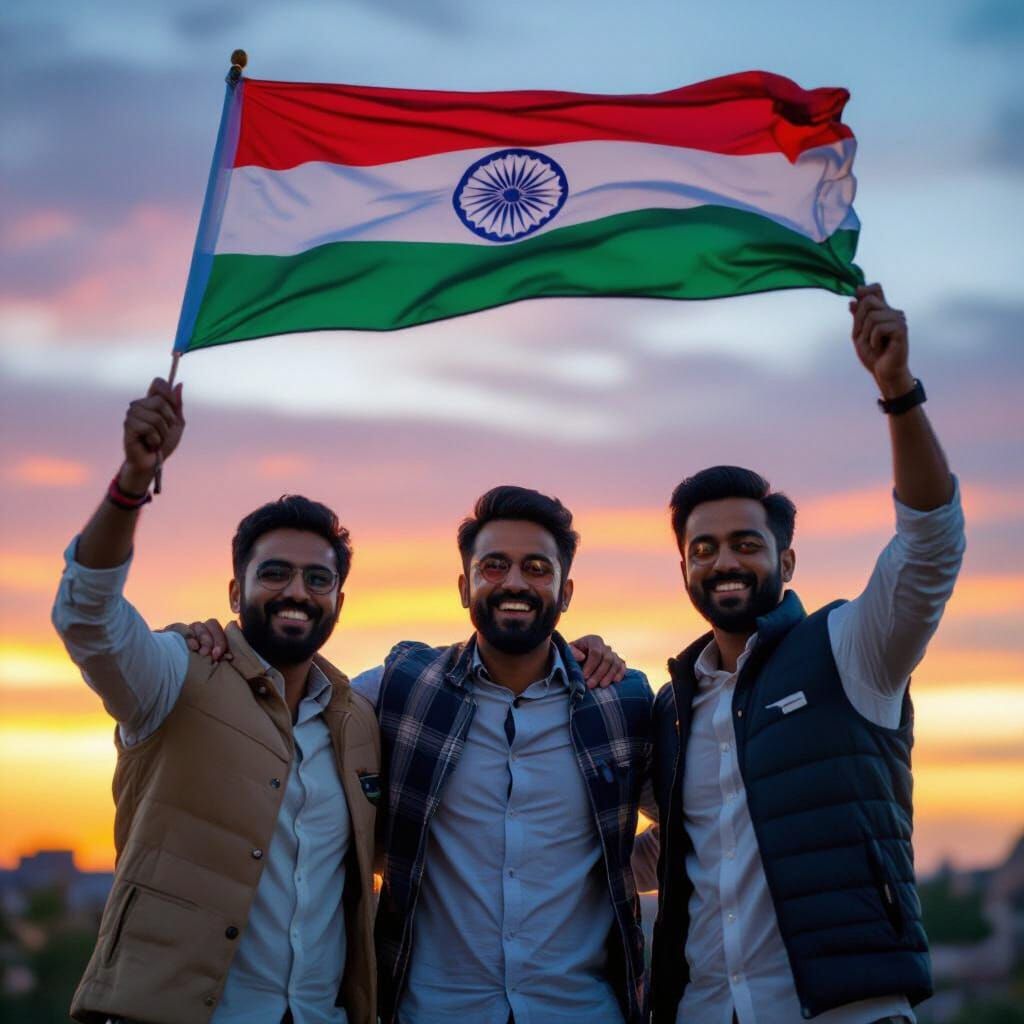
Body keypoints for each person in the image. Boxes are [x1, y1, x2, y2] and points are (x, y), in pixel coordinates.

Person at [637, 284, 966, 1024]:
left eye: (747, 545)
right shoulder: (672, 709)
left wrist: (898, 394)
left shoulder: (850, 647)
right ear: (684, 569)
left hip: (848, 1010)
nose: (725, 561)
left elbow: (931, 546)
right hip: (705, 1011)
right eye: (704, 548)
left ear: (786, 565)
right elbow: (665, 850)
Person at [52, 379, 380, 1024]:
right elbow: (87, 617)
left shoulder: (358, 718)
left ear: (339, 601)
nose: (297, 591)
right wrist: (132, 483)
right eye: (274, 573)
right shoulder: (177, 675)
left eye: (319, 579)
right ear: (236, 591)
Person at [352, 485, 654, 1024]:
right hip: (434, 1010)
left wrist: (619, 868)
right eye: (494, 565)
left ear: (564, 593)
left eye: (537, 567)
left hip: (581, 1010)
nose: (514, 581)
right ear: (465, 586)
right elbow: (295, 705)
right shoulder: (404, 685)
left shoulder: (621, 701)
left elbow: (704, 816)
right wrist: (203, 645)